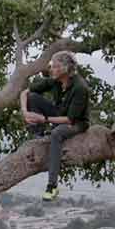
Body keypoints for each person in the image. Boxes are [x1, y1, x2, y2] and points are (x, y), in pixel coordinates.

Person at [19, 51, 91, 202]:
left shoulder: (80, 88)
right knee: (33, 98)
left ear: (65, 69)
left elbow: (70, 120)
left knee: (57, 134)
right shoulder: (55, 80)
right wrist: (26, 113)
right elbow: (25, 93)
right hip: (58, 114)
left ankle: (52, 185)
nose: (51, 69)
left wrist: (43, 119)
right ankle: (39, 136)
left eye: (55, 66)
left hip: (77, 123)